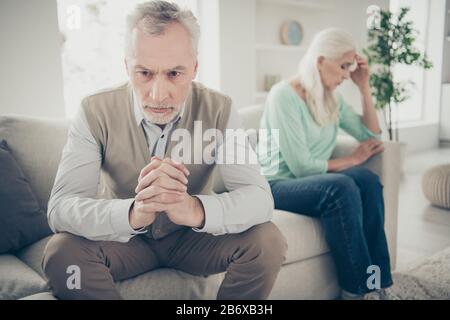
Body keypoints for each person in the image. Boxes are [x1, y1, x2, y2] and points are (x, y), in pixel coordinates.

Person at [43, 0, 287, 300]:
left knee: (267, 240)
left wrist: (194, 209)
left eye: (174, 73)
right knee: (61, 253)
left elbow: (260, 198)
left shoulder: (220, 110)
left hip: (192, 239)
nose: (158, 95)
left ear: (194, 68)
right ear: (126, 66)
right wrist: (133, 213)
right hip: (125, 241)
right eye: (144, 73)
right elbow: (61, 208)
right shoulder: (94, 111)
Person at [257, 28, 393, 299]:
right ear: (320, 61)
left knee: (367, 181)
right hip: (274, 185)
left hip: (307, 183)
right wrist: (353, 159)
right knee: (340, 187)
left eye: (350, 67)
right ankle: (356, 291)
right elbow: (302, 167)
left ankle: (377, 281)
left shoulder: (332, 99)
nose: (346, 74)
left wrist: (364, 87)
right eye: (343, 66)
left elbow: (373, 136)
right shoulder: (283, 95)